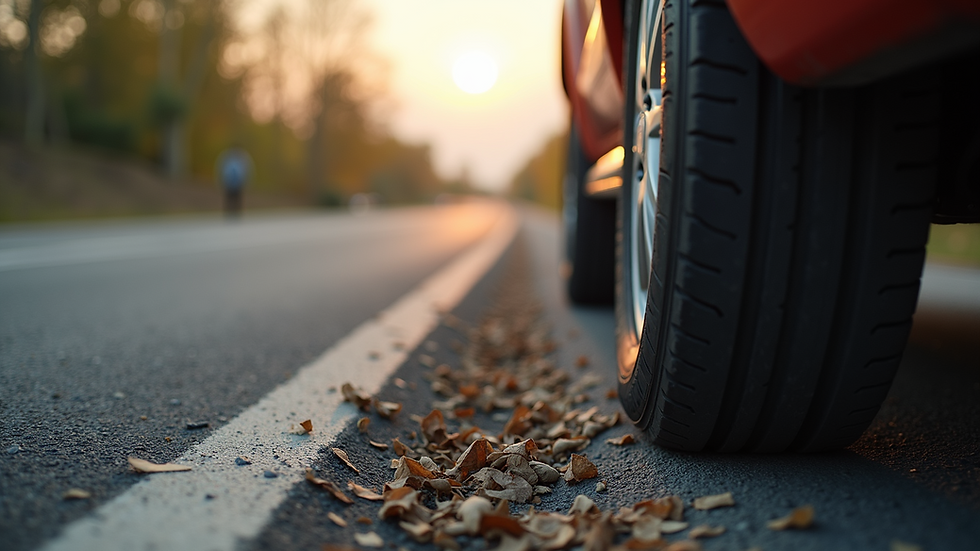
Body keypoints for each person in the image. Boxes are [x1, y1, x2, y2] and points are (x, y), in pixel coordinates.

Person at [216, 146, 253, 218]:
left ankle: (235, 216)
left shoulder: (230, 158)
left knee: (236, 201)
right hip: (230, 184)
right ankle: (230, 215)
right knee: (230, 201)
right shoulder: (230, 158)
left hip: (236, 184)